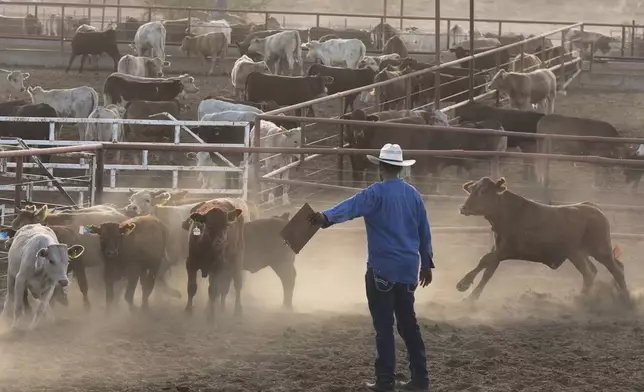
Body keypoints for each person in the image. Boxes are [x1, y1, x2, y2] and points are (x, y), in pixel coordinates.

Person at [308, 143, 434, 392]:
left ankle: (385, 380)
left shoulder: (375, 193)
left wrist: (325, 217)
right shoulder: (414, 195)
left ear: (380, 167)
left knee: (384, 326)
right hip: (408, 268)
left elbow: (350, 207)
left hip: (382, 268)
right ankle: (420, 378)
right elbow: (424, 232)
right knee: (408, 323)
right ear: (399, 168)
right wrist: (427, 262)